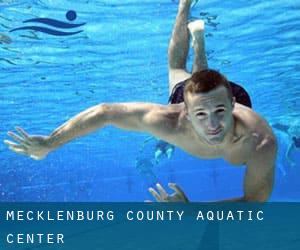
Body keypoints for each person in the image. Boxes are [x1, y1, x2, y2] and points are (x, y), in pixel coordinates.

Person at [4, 0, 277, 202]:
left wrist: (191, 210)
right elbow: (105, 112)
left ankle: (199, 43)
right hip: (202, 96)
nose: (214, 124)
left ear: (232, 105)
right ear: (184, 110)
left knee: (186, 75)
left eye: (220, 111)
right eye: (201, 115)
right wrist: (50, 142)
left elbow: (255, 202)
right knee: (177, 71)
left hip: (224, 98)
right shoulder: (170, 120)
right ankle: (185, 6)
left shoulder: (260, 140)